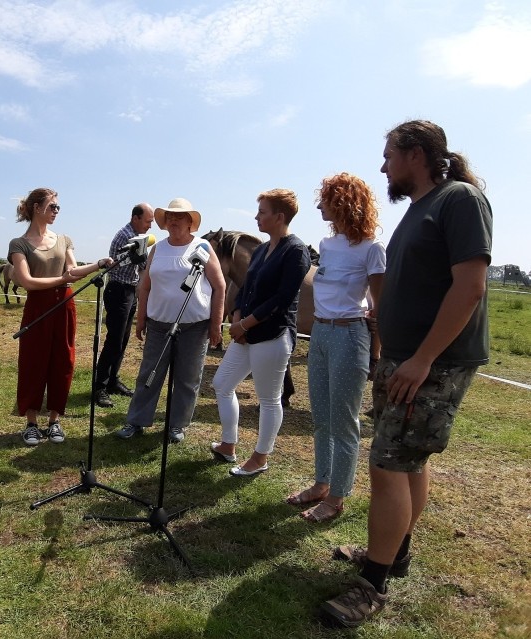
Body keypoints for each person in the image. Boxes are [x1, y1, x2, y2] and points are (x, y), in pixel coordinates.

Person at [321, 120, 492, 628]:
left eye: (389, 155)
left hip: (431, 362)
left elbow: (470, 288)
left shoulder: (459, 199)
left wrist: (421, 360)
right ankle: (393, 553)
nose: (383, 166)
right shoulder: (422, 209)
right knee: (408, 460)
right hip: (405, 356)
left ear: (415, 154)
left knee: (388, 465)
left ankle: (371, 587)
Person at [286, 173, 385, 522]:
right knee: (321, 418)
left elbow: (379, 305)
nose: (319, 206)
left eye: (325, 199)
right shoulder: (326, 246)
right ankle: (321, 484)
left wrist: (375, 352)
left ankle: (337, 498)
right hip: (321, 335)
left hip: (349, 335)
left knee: (343, 423)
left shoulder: (372, 249)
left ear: (343, 202)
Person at [210, 189, 311, 476]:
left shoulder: (295, 251)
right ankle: (228, 444)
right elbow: (245, 287)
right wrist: (238, 316)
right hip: (247, 332)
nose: (256, 216)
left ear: (279, 217)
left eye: (262, 212)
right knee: (221, 383)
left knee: (268, 399)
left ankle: (260, 457)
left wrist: (245, 324)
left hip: (273, 335)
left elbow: (282, 298)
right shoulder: (263, 249)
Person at [8, 188, 113, 446]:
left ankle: (54, 420)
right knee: (33, 362)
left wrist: (99, 264)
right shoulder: (18, 244)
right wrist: (62, 280)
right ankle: (31, 423)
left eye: (58, 207)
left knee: (63, 362)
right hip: (38, 306)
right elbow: (28, 282)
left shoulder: (64, 239)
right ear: (36, 208)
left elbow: (73, 271)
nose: (56, 211)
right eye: (52, 206)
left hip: (64, 305)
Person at [115, 198, 226, 442]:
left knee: (187, 378)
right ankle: (137, 421)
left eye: (180, 216)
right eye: (170, 217)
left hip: (194, 327)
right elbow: (145, 287)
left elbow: (220, 287)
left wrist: (215, 324)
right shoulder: (158, 248)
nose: (174, 220)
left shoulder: (203, 247)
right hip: (158, 324)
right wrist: (141, 318)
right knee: (149, 375)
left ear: (190, 222)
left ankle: (177, 425)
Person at [94, 203, 155, 409]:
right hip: (118, 290)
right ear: (135, 218)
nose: (150, 226)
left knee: (123, 340)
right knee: (114, 341)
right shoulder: (126, 237)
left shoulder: (139, 237)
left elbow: (143, 264)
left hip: (129, 291)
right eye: (148, 221)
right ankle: (99, 387)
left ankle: (112, 381)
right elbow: (121, 263)